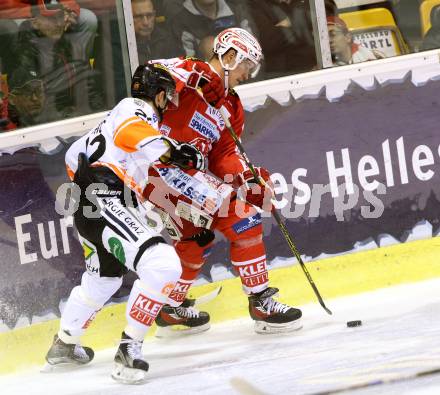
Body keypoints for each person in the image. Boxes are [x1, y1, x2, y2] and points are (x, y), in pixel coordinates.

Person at [44, 63, 205, 383]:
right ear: (158, 95)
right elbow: (131, 131)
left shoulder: (108, 125)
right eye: (167, 97)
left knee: (104, 280)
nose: (167, 103)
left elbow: (74, 156)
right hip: (105, 200)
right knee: (162, 266)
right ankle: (128, 349)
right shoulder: (135, 109)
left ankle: (63, 345)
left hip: (91, 203)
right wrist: (171, 151)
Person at [146, 27, 302, 335]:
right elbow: (150, 73)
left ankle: (170, 309)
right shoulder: (190, 77)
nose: (248, 73)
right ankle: (261, 302)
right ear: (230, 57)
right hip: (158, 169)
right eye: (246, 65)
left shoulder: (231, 106)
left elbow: (224, 154)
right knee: (242, 218)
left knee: (195, 240)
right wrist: (200, 74)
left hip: (186, 178)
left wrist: (246, 176)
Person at [170, 0, 256, 59]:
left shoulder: (237, 10)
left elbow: (255, 55)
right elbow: (187, 69)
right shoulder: (181, 22)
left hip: (247, 81)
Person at [132, 0, 183, 64]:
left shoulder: (168, 40)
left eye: (149, 15)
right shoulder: (123, 47)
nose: (146, 22)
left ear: (154, 15)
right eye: (138, 16)